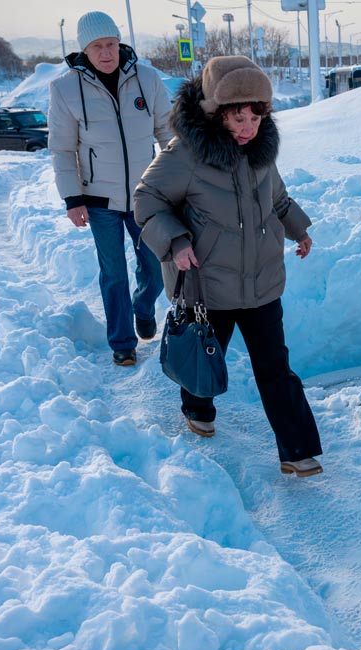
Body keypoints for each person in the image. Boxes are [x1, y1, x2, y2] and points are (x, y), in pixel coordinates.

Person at [133, 56, 323, 478]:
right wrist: (176, 241)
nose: (248, 128)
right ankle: (197, 407)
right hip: (208, 284)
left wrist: (299, 229)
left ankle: (297, 450)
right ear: (215, 112)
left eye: (256, 118)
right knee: (204, 354)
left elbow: (277, 198)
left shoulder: (260, 152)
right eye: (239, 118)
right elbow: (146, 200)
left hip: (261, 282)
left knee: (275, 368)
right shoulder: (185, 154)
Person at [48, 11, 173, 366]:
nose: (106, 53)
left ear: (120, 44)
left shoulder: (146, 79)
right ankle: (122, 342)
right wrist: (72, 199)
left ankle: (143, 307)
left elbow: (168, 132)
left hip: (146, 196)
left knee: (155, 266)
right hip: (98, 200)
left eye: (111, 44)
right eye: (97, 46)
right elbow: (62, 149)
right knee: (114, 272)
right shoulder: (65, 89)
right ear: (84, 50)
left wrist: (179, 181)